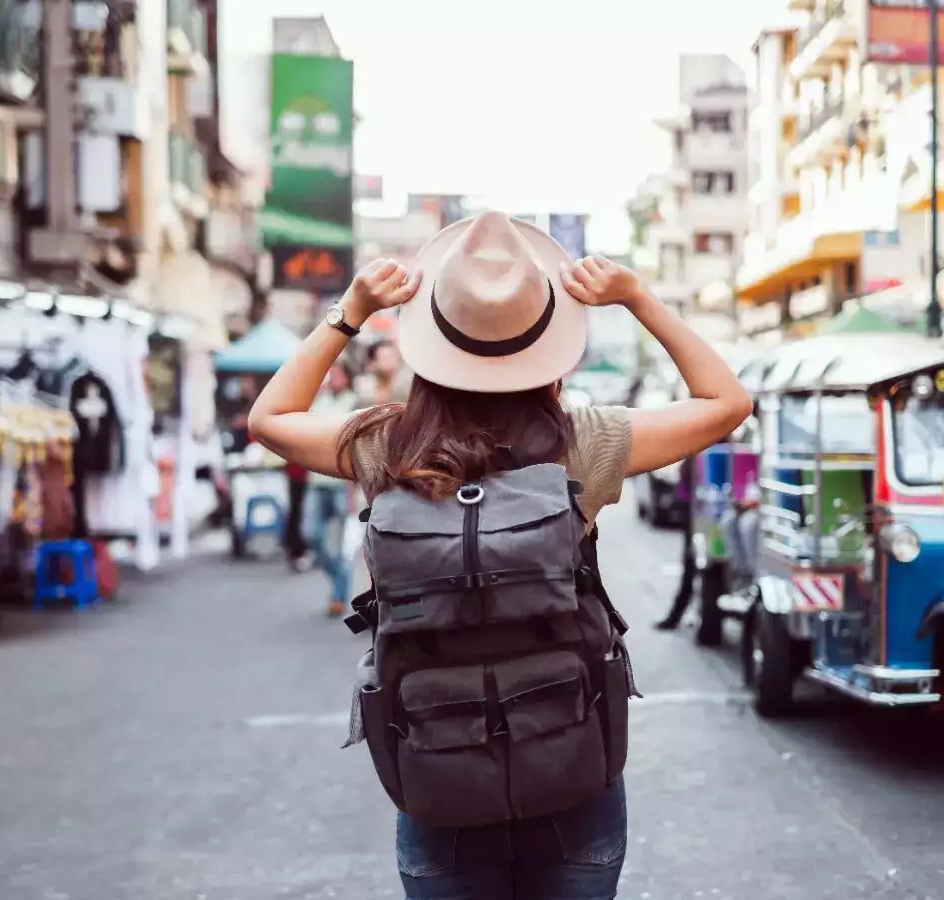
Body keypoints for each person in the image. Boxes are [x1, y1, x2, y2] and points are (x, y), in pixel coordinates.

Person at [248, 212, 751, 899]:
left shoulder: (389, 449)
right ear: (546, 345)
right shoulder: (583, 444)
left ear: (431, 341)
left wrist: (352, 311)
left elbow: (268, 420)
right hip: (573, 770)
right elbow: (727, 403)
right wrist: (638, 298)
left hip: (439, 774)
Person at [302, 363, 357, 615]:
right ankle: (338, 582)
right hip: (316, 482)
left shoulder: (354, 402)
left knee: (339, 545)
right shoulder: (319, 402)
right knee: (312, 536)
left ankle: (337, 595)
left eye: (336, 373)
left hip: (341, 484)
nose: (332, 378)